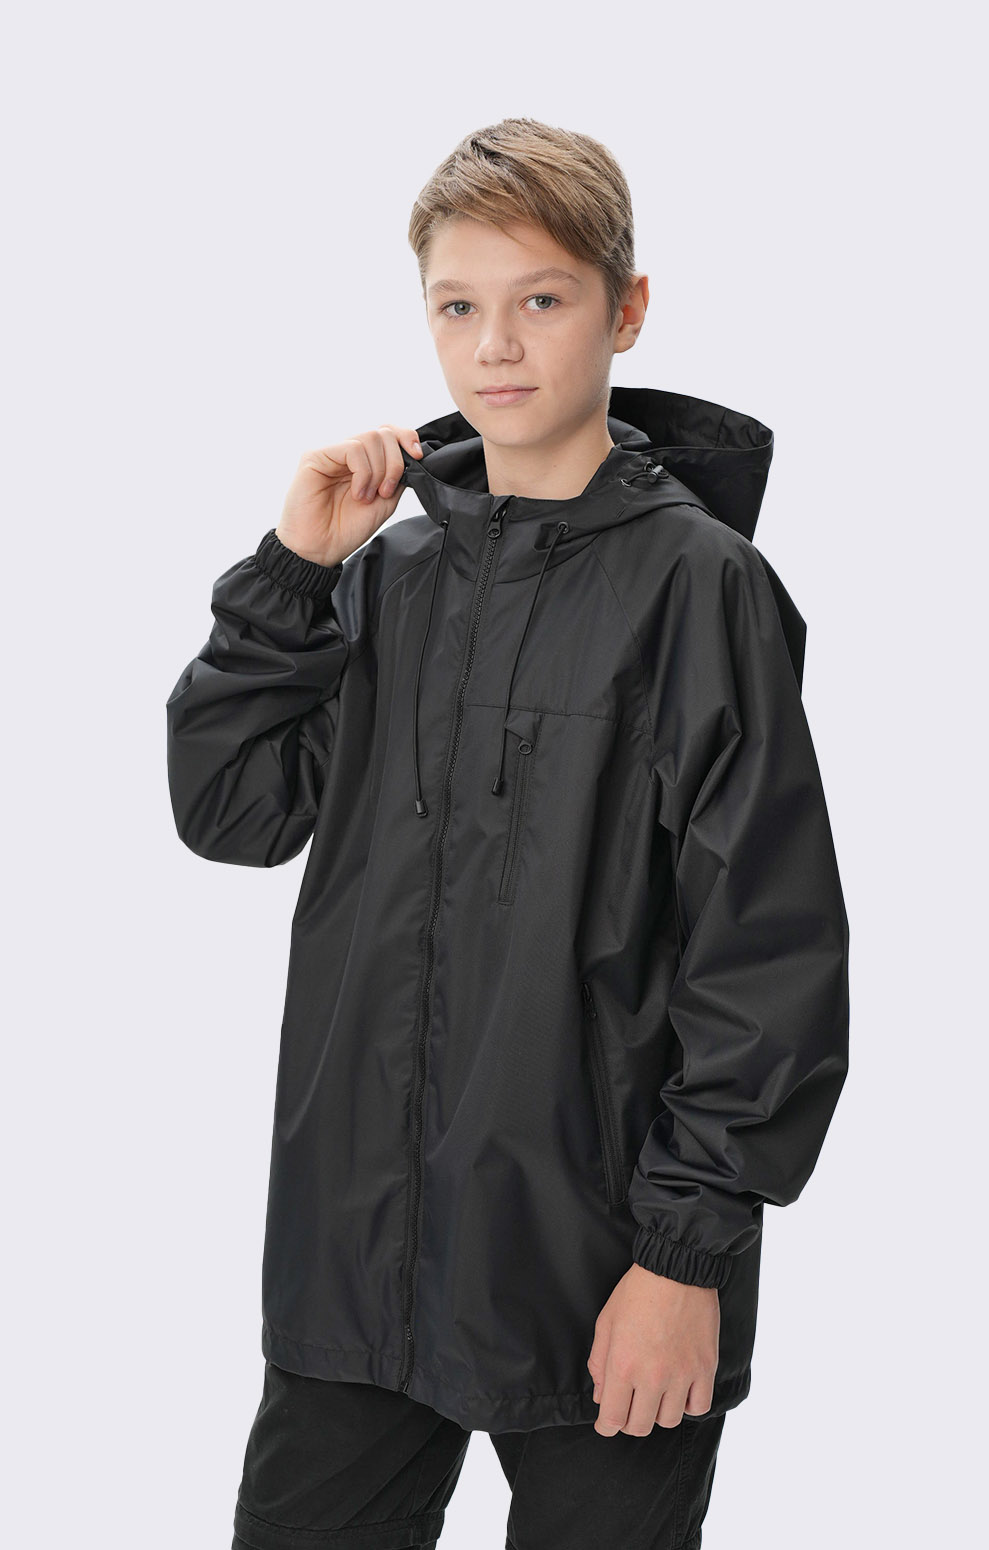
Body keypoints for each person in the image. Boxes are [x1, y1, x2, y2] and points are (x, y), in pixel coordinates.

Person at [166, 117, 850, 1550]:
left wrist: (685, 1257)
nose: (495, 346)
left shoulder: (700, 587)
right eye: (456, 306)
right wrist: (293, 573)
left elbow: (767, 949)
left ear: (625, 308)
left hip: (602, 1272)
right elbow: (232, 809)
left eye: (541, 298)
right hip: (358, 1267)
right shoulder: (389, 574)